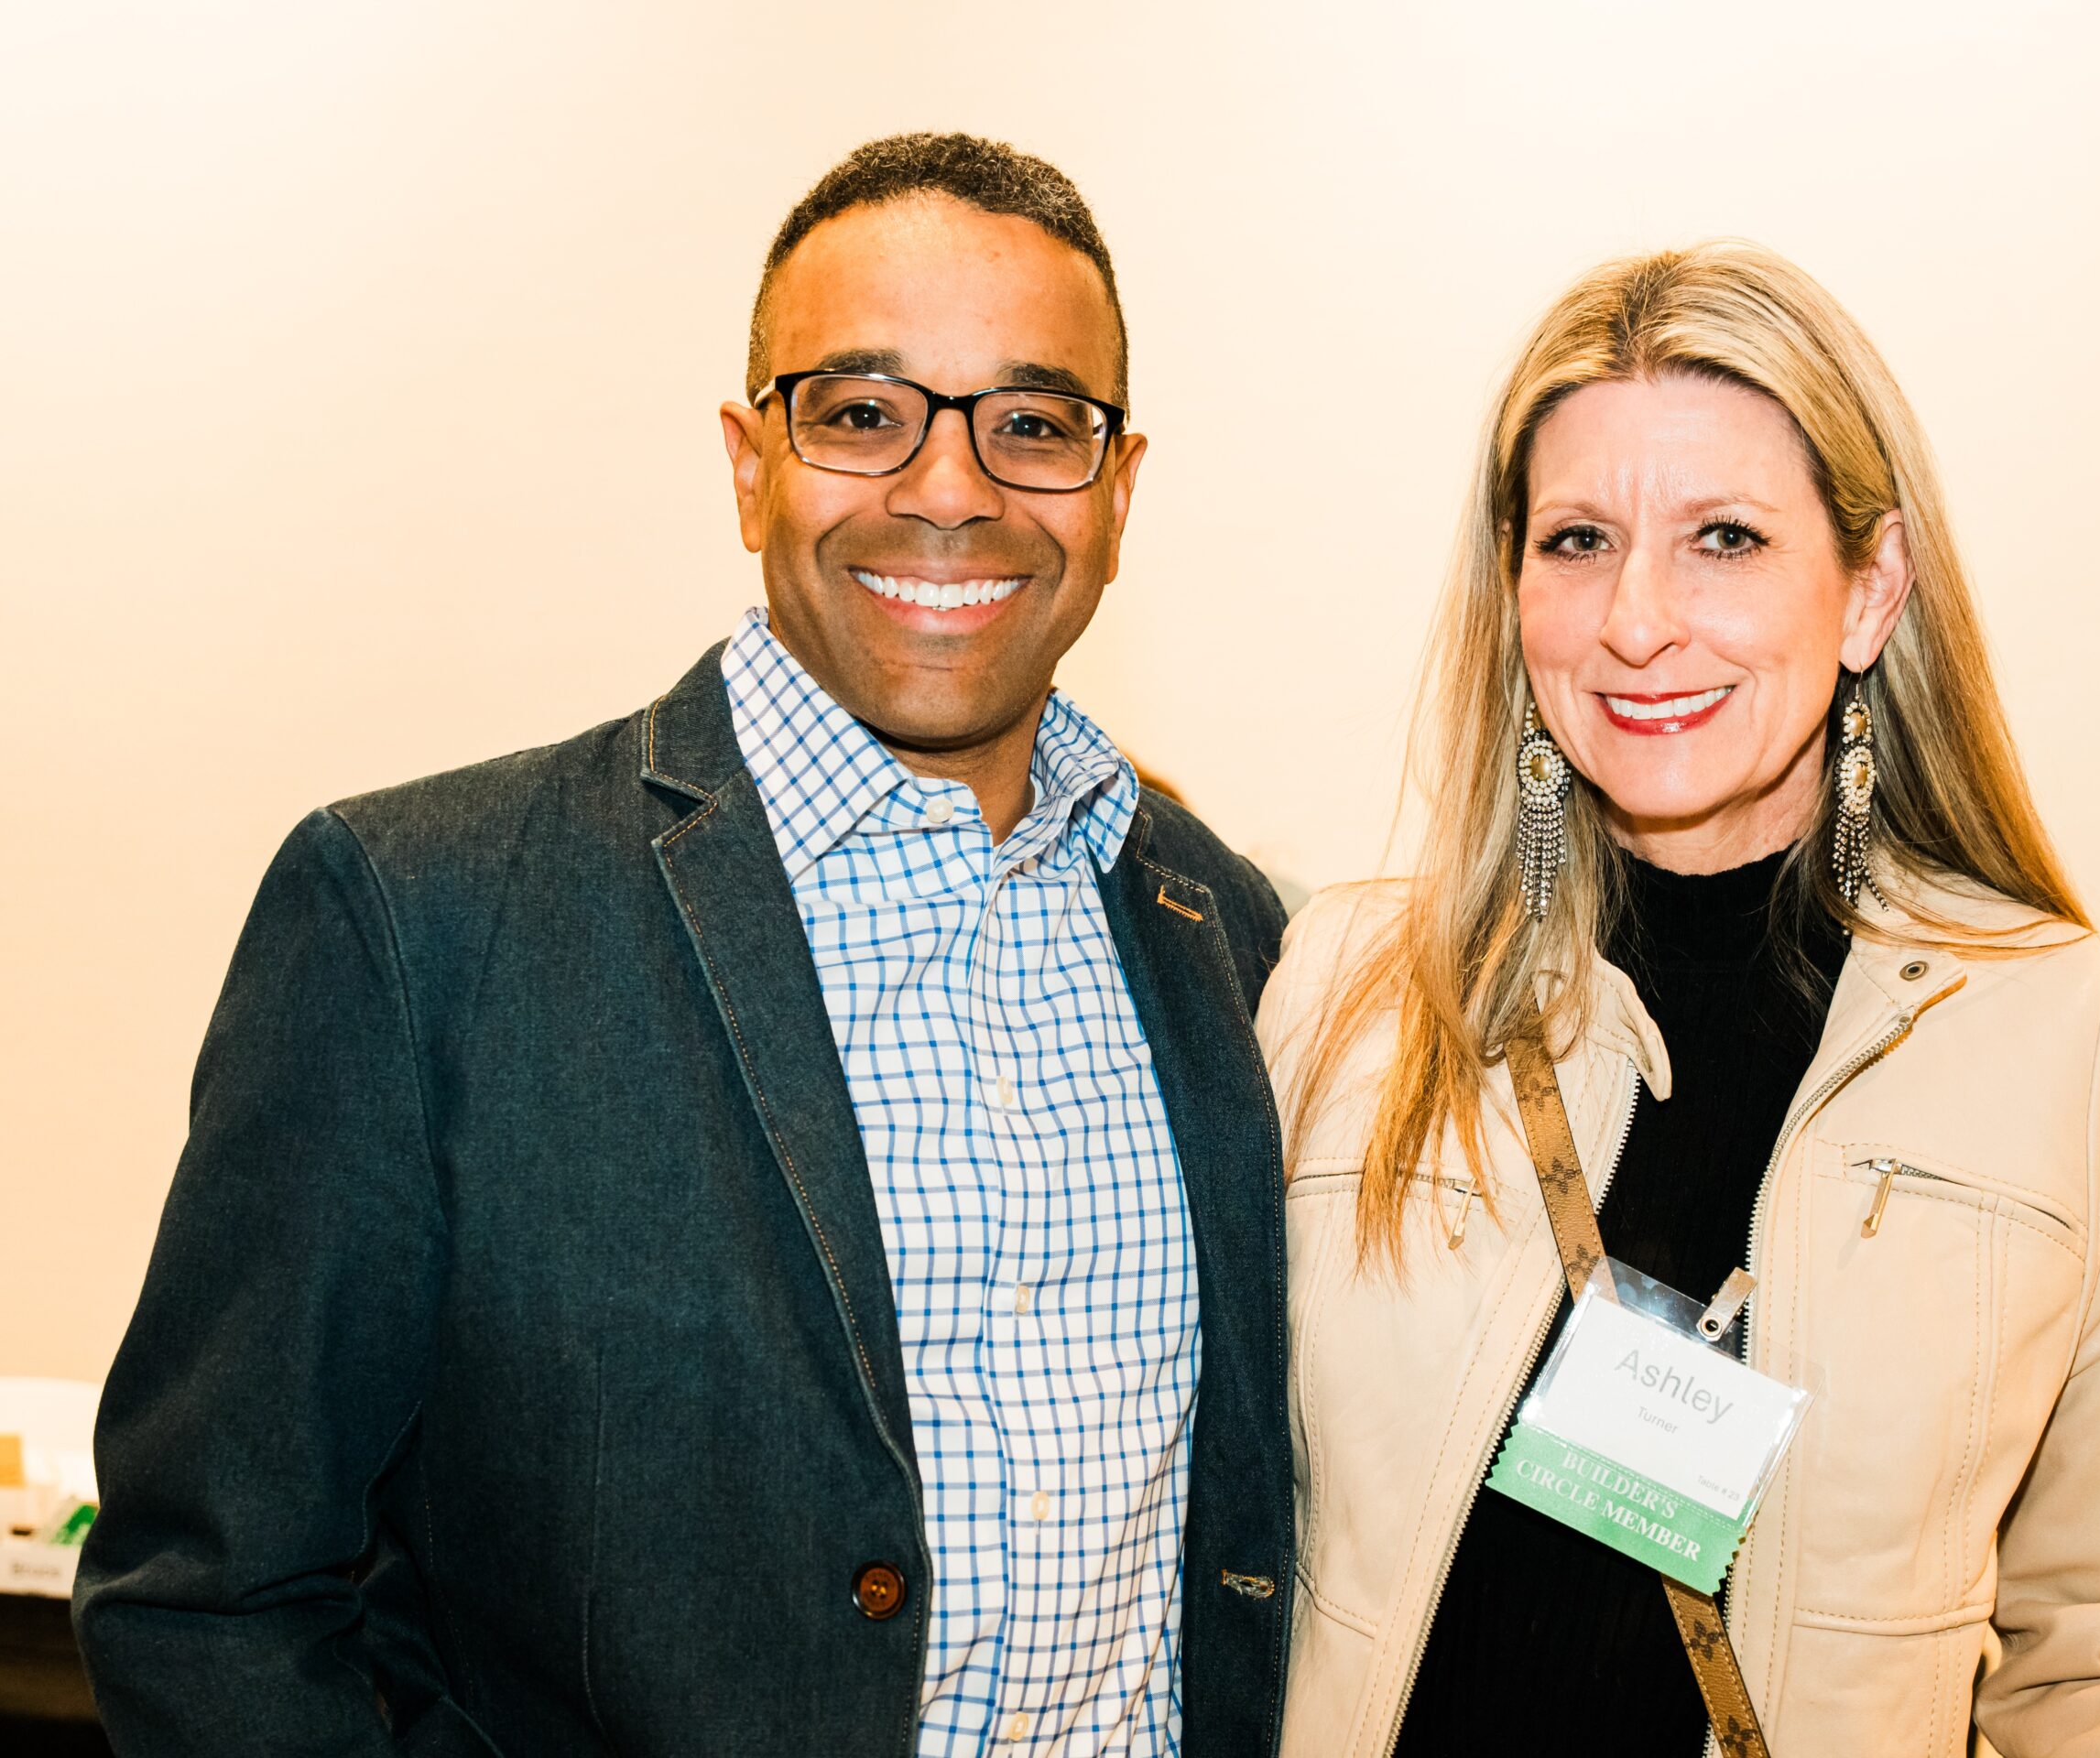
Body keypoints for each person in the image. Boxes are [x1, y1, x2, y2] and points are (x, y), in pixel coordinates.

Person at [74, 133, 1292, 1756]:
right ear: (748, 464)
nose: (950, 490)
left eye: (1033, 424)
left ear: (1118, 489)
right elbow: (208, 1597)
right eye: (861, 412)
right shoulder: (417, 919)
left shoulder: (1234, 939)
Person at [1260, 242, 2100, 1756]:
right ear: (1513, 587)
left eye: (1724, 537)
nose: (1638, 619)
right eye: (1578, 540)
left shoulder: (2062, 1030)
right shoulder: (1342, 986)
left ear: (1871, 589)